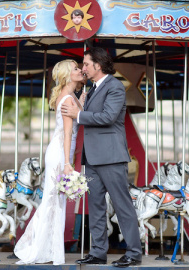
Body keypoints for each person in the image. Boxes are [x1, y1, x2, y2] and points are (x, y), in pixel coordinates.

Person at [61, 47, 142, 267]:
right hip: (93, 158)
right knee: (95, 208)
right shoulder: (93, 88)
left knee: (122, 205)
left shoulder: (115, 86)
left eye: (86, 64)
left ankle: (134, 253)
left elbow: (108, 117)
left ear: (98, 65)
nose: (83, 68)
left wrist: (78, 114)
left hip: (112, 157)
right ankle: (98, 252)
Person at [13, 59, 85, 265]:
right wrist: (68, 163)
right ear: (67, 75)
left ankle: (47, 249)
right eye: (76, 69)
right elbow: (68, 133)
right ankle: (43, 249)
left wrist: (84, 96)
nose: (80, 70)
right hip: (60, 152)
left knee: (55, 201)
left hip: (58, 149)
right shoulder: (68, 99)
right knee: (53, 201)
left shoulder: (69, 96)